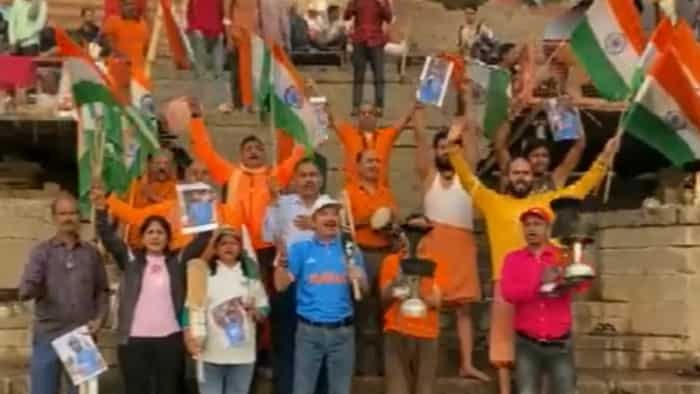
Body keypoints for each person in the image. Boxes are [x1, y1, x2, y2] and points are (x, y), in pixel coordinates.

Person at [446, 125, 619, 394]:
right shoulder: (492, 201)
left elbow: (581, 187)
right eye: (516, 173)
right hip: (506, 283)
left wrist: (604, 158)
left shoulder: (547, 201)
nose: (521, 177)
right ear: (507, 176)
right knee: (502, 347)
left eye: (525, 173)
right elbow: (468, 180)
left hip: (545, 281)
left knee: (545, 342)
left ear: (533, 177)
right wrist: (453, 148)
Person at [93, 192, 211, 394]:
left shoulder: (177, 261)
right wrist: (101, 210)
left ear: (168, 238)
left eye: (160, 232)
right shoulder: (130, 260)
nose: (155, 236)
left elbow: (203, 239)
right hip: (134, 341)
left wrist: (201, 205)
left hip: (170, 340)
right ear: (142, 237)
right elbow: (108, 236)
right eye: (150, 232)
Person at [413, 107, 488, 381]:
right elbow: (420, 138)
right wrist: (417, 111)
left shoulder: (467, 176)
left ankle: (466, 363)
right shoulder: (428, 176)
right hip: (434, 244)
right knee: (427, 304)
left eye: (449, 146)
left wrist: (467, 106)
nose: (445, 151)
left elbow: (471, 145)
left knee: (464, 310)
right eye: (441, 147)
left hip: (462, 245)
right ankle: (421, 363)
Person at [188, 97, 303, 272]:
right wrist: (196, 119)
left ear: (264, 153)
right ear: (240, 155)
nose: (254, 151)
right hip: (235, 244)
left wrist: (305, 122)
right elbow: (205, 151)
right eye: (248, 149)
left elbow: (298, 156)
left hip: (268, 246)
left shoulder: (275, 175)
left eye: (258, 148)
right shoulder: (231, 173)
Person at [273, 196, 369, 394]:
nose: (331, 217)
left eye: (335, 213)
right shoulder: (301, 249)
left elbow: (364, 292)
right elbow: (280, 285)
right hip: (309, 332)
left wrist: (359, 278)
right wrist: (281, 262)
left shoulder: (351, 250)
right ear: (313, 222)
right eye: (324, 213)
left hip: (343, 332)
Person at [18, 194, 109, 394]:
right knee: (43, 390)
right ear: (54, 218)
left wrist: (100, 319)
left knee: (83, 392)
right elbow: (26, 290)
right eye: (63, 213)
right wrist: (32, 286)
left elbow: (102, 291)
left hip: (81, 335)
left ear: (80, 216)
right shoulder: (41, 252)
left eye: (73, 213)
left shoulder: (91, 253)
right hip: (48, 334)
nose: (68, 218)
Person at [501, 207, 590, 394]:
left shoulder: (562, 256)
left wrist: (577, 262)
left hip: (560, 344)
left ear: (548, 228)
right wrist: (538, 283)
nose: (531, 229)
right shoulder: (512, 259)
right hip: (527, 344)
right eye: (527, 225)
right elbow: (508, 293)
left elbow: (582, 286)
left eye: (537, 224)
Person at [263, 158, 329, 394]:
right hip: (288, 281)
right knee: (286, 345)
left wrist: (315, 225)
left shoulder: (330, 205)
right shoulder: (283, 204)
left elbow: (341, 238)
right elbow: (268, 235)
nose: (309, 179)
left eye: (313, 175)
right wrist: (272, 204)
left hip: (322, 286)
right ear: (294, 180)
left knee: (320, 348)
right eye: (303, 175)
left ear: (321, 179)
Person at [184, 228, 270, 394]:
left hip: (242, 354)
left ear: (240, 248)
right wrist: (189, 338)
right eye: (223, 243)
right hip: (210, 352)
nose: (229, 247)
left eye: (234, 243)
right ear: (215, 249)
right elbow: (189, 309)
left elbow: (264, 308)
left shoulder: (250, 277)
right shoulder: (204, 276)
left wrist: (255, 312)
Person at [102, 161, 241, 250]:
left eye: (204, 173)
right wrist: (108, 197)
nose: (199, 177)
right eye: (194, 173)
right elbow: (135, 217)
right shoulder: (170, 207)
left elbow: (234, 241)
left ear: (211, 179)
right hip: (177, 265)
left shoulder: (225, 211)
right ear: (187, 179)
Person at [379, 214, 447, 394]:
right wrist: (398, 278)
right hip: (396, 331)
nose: (415, 236)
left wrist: (417, 283)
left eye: (421, 232)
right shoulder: (391, 261)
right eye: (410, 231)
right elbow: (384, 296)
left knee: (425, 389)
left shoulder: (436, 263)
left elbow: (437, 301)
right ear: (402, 234)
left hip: (426, 333)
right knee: (396, 389)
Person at [344, 148, 397, 375]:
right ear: (358, 166)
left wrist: (390, 224)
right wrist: (371, 219)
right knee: (359, 309)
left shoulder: (387, 193)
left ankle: (386, 368)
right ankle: (355, 368)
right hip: (360, 253)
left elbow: (393, 221)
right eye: (369, 161)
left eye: (378, 161)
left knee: (386, 311)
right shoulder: (348, 193)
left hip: (385, 254)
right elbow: (345, 224)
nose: (374, 165)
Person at [328, 100, 418, 187]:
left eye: (370, 112)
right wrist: (314, 90)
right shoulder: (348, 133)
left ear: (376, 116)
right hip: (354, 193)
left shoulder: (386, 135)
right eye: (363, 113)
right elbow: (330, 114)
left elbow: (406, 117)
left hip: (380, 193)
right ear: (358, 117)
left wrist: (417, 100)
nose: (367, 115)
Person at [494, 116, 586, 194]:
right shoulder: (513, 177)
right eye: (535, 156)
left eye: (544, 156)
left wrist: (571, 115)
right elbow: (499, 147)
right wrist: (510, 116)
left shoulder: (554, 180)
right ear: (526, 159)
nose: (540, 160)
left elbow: (579, 147)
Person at [344, 0, 391, 116]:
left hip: (376, 39)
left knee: (379, 75)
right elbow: (346, 16)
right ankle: (356, 106)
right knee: (358, 75)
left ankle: (379, 106)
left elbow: (389, 18)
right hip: (360, 39)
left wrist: (382, 4)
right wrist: (351, 4)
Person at [122, 149, 178, 247]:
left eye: (166, 163)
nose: (162, 167)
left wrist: (152, 196)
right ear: (149, 164)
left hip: (162, 247)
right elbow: (123, 216)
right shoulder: (136, 185)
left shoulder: (175, 187)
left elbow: (173, 212)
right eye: (158, 163)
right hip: (134, 245)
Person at [101, 0, 149, 75]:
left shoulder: (143, 23)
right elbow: (104, 38)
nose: (131, 7)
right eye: (127, 5)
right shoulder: (113, 21)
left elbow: (145, 46)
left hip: (138, 70)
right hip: (119, 68)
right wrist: (118, 54)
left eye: (133, 4)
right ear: (121, 8)